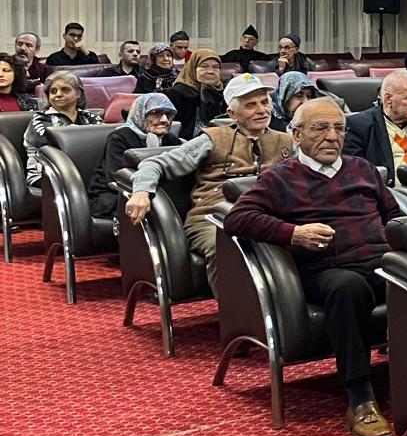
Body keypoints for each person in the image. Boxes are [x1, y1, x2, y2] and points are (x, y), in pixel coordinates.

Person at [223, 97, 402, 436]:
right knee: (348, 288)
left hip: (380, 260)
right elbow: (237, 219)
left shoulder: (362, 168)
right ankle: (360, 398)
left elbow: (394, 216)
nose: (332, 136)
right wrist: (293, 233)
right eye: (320, 128)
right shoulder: (279, 178)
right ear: (297, 134)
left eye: (339, 128)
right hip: (327, 269)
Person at [125, 74, 294, 290]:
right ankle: (235, 310)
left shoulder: (286, 141)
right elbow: (154, 164)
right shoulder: (211, 139)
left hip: (267, 216)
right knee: (227, 247)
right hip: (213, 220)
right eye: (251, 105)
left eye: (264, 102)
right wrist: (141, 191)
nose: (262, 110)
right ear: (232, 114)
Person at [88, 92, 182, 219]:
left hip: (155, 192)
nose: (164, 120)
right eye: (156, 113)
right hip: (115, 193)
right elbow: (118, 176)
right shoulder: (119, 137)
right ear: (140, 114)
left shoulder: (170, 139)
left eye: (169, 114)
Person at [23, 71, 103, 195]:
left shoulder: (89, 117)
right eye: (53, 91)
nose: (58, 94)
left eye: (65, 90)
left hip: (84, 171)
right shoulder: (40, 120)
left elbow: (103, 141)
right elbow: (62, 144)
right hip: (46, 174)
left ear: (78, 93)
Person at [168, 48, 226, 139]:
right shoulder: (177, 92)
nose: (210, 71)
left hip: (218, 138)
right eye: (204, 66)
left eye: (215, 67)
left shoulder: (222, 92)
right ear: (193, 68)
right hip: (187, 141)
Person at [270, 70, 338, 133]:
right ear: (284, 96)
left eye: (309, 96)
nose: (305, 102)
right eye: (299, 96)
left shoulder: (318, 120)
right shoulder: (269, 121)